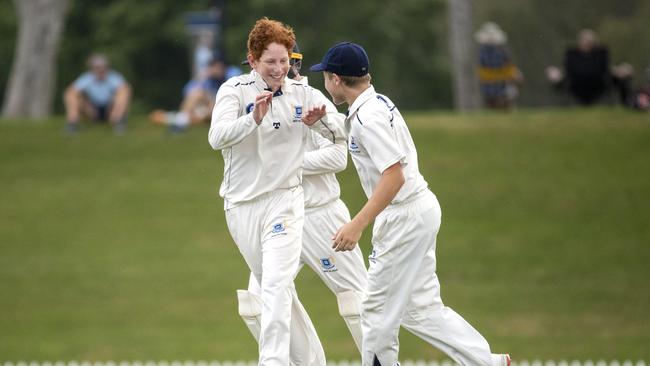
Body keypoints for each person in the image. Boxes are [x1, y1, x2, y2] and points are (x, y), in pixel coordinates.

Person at [309, 42, 510, 366]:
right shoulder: (375, 104)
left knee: (374, 309)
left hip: (403, 215)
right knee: (420, 309)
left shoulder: (367, 118)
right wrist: (322, 125)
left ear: (334, 79)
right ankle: (488, 363)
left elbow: (394, 177)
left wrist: (356, 224)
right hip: (419, 208)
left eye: (325, 76)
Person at [208, 18, 344, 365]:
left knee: (275, 288)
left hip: (285, 201)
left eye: (284, 60)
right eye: (271, 61)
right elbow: (216, 137)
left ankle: (272, 362)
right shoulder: (235, 90)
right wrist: (251, 118)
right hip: (241, 206)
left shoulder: (303, 93)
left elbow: (341, 140)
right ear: (253, 60)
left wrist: (322, 123)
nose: (279, 69)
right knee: (275, 291)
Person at [237, 44, 367, 360]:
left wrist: (289, 162)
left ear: (293, 65)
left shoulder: (315, 102)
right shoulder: (255, 104)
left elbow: (339, 157)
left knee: (357, 302)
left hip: (321, 216)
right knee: (258, 303)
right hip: (279, 218)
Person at [545, 29, 633, 105]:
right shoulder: (571, 54)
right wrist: (556, 74)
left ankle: (627, 103)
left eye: (589, 40)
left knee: (624, 76)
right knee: (554, 77)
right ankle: (550, 106)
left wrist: (621, 70)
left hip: (599, 84)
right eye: (584, 40)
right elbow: (567, 70)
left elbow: (606, 68)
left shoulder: (601, 53)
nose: (587, 42)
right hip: (576, 85)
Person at [150, 58, 227, 131]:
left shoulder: (230, 74)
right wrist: (203, 78)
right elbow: (188, 90)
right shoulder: (208, 78)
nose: (217, 69)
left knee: (201, 98)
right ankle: (181, 119)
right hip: (205, 109)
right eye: (214, 66)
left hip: (221, 107)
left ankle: (179, 120)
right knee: (197, 94)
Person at [64, 54, 131, 134]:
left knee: (124, 91)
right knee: (71, 94)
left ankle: (119, 121)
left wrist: (115, 111)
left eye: (103, 67)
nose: (100, 69)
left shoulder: (114, 77)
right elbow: (71, 91)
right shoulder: (87, 78)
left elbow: (124, 89)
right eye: (98, 67)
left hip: (110, 109)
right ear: (92, 68)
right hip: (92, 110)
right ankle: (72, 122)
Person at [474, 22, 522, 109]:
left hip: (489, 83)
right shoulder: (502, 50)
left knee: (493, 102)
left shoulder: (482, 51)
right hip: (501, 82)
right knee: (504, 100)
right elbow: (508, 65)